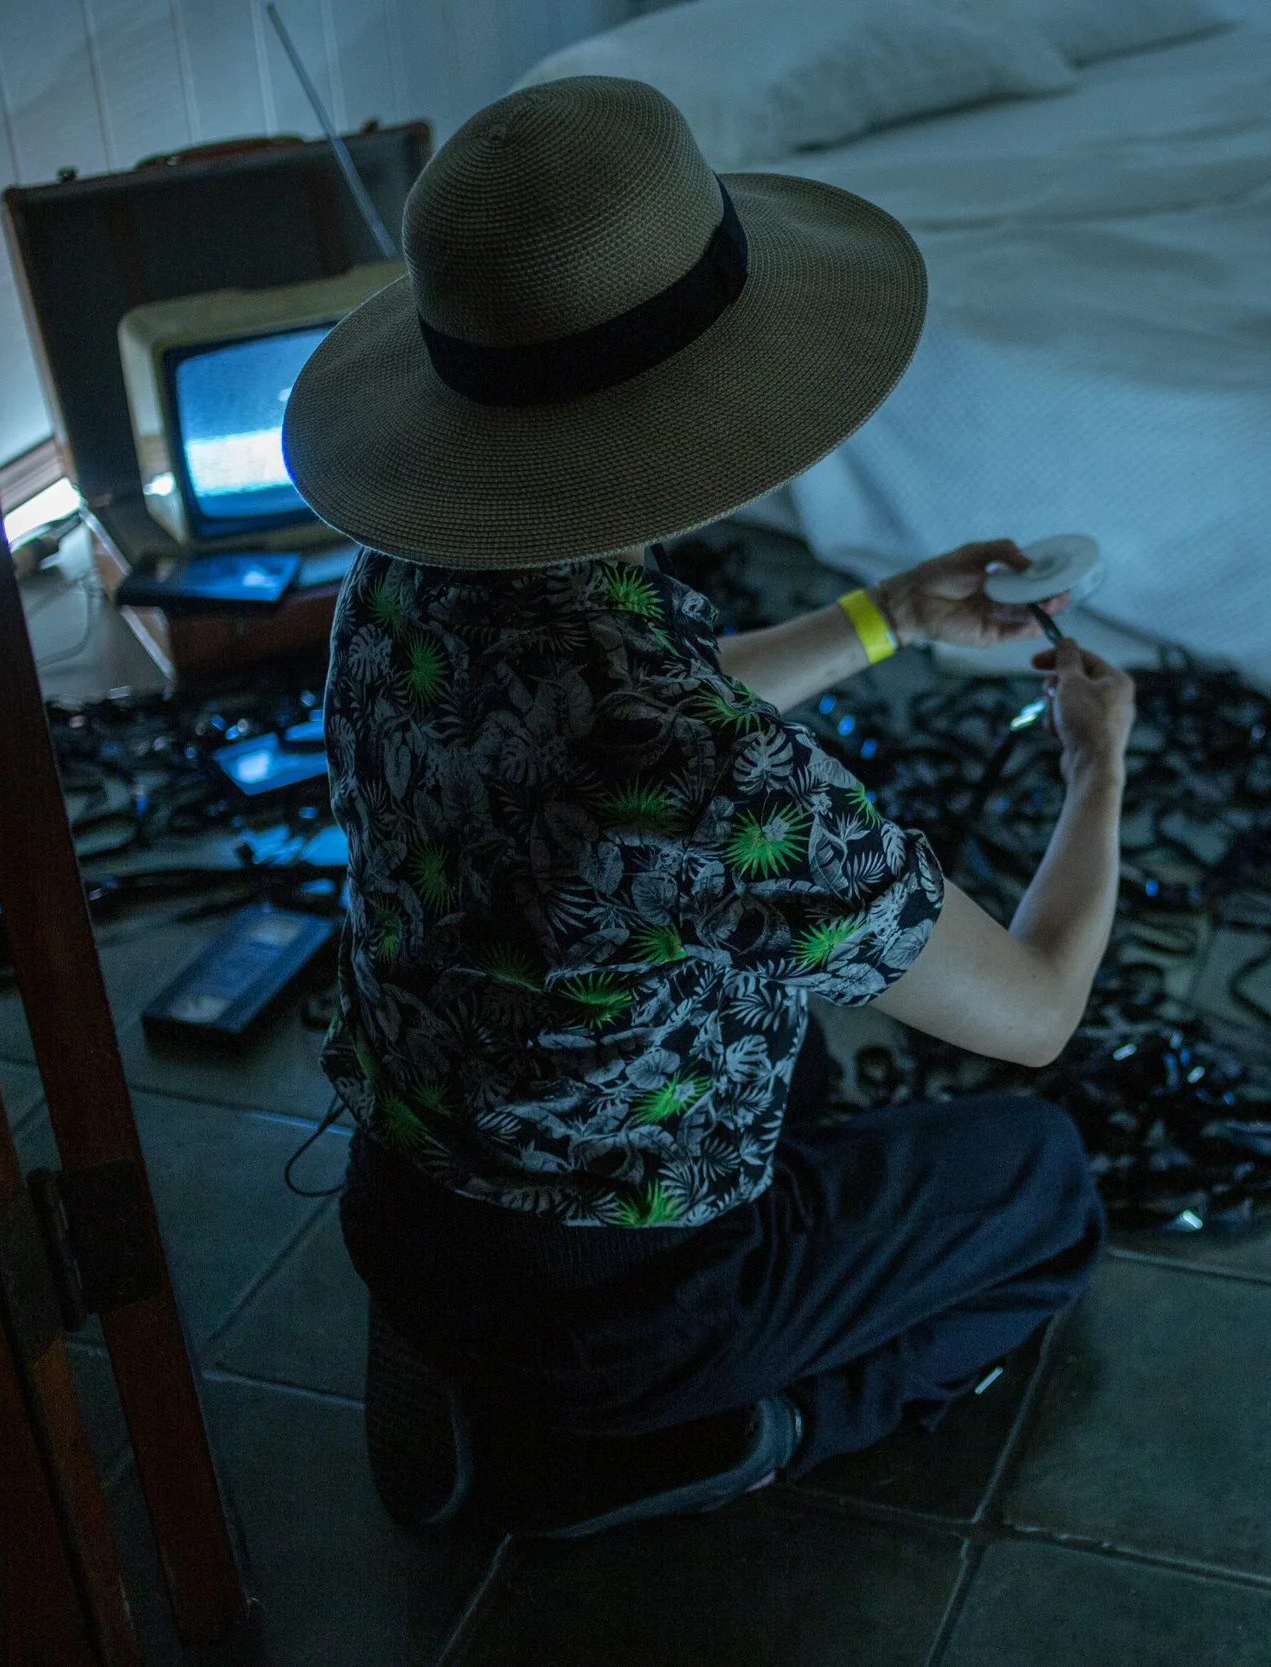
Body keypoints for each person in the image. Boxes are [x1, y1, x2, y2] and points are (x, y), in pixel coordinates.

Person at [281, 75, 1131, 1538]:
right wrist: (1099, 764)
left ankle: (518, 1369)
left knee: (792, 1046)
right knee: (1043, 1183)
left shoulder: (407, 577)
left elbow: (615, 735)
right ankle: (706, 1435)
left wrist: (883, 617)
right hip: (626, 1297)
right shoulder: (727, 785)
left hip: (407, 1207)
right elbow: (1040, 1009)